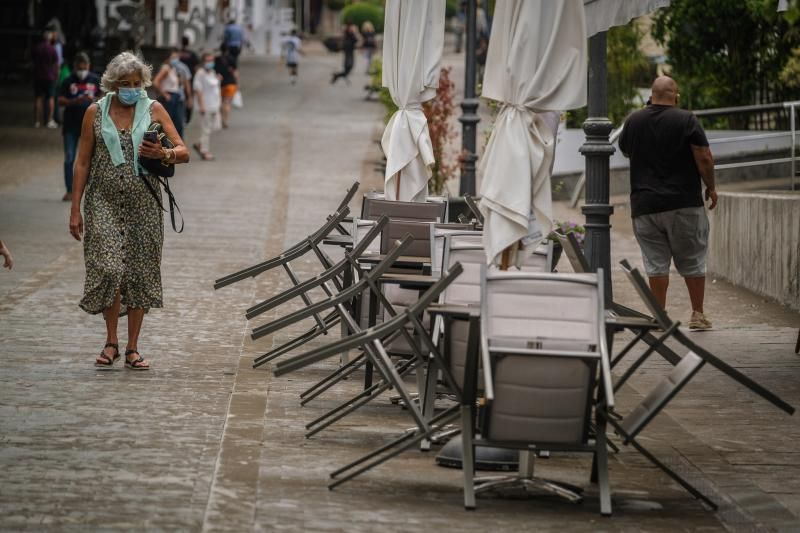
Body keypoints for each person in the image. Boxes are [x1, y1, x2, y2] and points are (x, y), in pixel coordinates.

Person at [68, 51, 190, 370]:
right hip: (102, 201)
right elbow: (81, 162)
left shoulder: (154, 108)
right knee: (110, 268)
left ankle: (132, 347)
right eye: (125, 83)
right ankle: (111, 341)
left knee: (139, 271)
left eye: (137, 83)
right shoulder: (94, 112)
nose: (132, 88)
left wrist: (164, 153)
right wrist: (75, 209)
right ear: (112, 84)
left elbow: (183, 151)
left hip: (144, 205)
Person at [619, 76, 718, 331]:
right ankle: (697, 314)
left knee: (655, 263)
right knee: (693, 259)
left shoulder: (633, 120)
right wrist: (711, 186)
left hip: (645, 206)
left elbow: (627, 151)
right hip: (683, 202)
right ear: (676, 96)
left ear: (651, 96)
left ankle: (660, 315)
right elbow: (704, 157)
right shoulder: (686, 119)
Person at [58, 52, 101, 201]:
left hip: (91, 126)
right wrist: (75, 101)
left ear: (89, 65)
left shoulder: (96, 80)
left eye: (85, 66)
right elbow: (60, 100)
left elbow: (104, 97)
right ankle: (70, 190)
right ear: (75, 66)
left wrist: (94, 100)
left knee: (92, 158)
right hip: (71, 125)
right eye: (79, 66)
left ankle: (91, 190)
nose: (82, 68)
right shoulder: (68, 80)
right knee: (70, 157)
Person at [152, 48, 192, 138]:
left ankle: (177, 144)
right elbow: (155, 82)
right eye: (173, 57)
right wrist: (164, 95)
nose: (175, 59)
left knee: (178, 123)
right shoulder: (165, 68)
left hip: (176, 96)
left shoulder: (174, 69)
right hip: (169, 97)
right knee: (168, 123)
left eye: (177, 57)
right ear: (168, 58)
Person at [192, 52, 221, 161]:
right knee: (206, 130)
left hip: (214, 105)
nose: (210, 62)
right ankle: (204, 151)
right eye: (208, 60)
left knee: (215, 127)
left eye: (212, 60)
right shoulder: (200, 73)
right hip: (206, 106)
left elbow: (213, 86)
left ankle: (199, 144)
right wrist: (202, 106)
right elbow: (198, 90)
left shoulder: (212, 72)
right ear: (203, 62)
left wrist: (218, 79)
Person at [32, 29, 59, 128]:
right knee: (50, 98)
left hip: (38, 76)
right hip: (50, 77)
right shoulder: (52, 49)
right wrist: (56, 75)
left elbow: (33, 61)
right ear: (50, 38)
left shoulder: (37, 48)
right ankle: (49, 120)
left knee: (38, 98)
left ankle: (37, 121)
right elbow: (56, 64)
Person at [215, 45, 238, 128]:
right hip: (231, 83)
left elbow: (214, 71)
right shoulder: (232, 59)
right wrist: (237, 83)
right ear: (227, 50)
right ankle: (226, 120)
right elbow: (235, 72)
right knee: (227, 103)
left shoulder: (216, 59)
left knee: (221, 102)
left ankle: (221, 119)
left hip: (220, 84)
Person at [178, 34, 200, 123]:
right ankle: (187, 118)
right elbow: (196, 67)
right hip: (190, 80)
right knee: (189, 98)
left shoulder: (178, 54)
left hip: (178, 80)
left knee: (180, 98)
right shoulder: (192, 54)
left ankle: (180, 116)